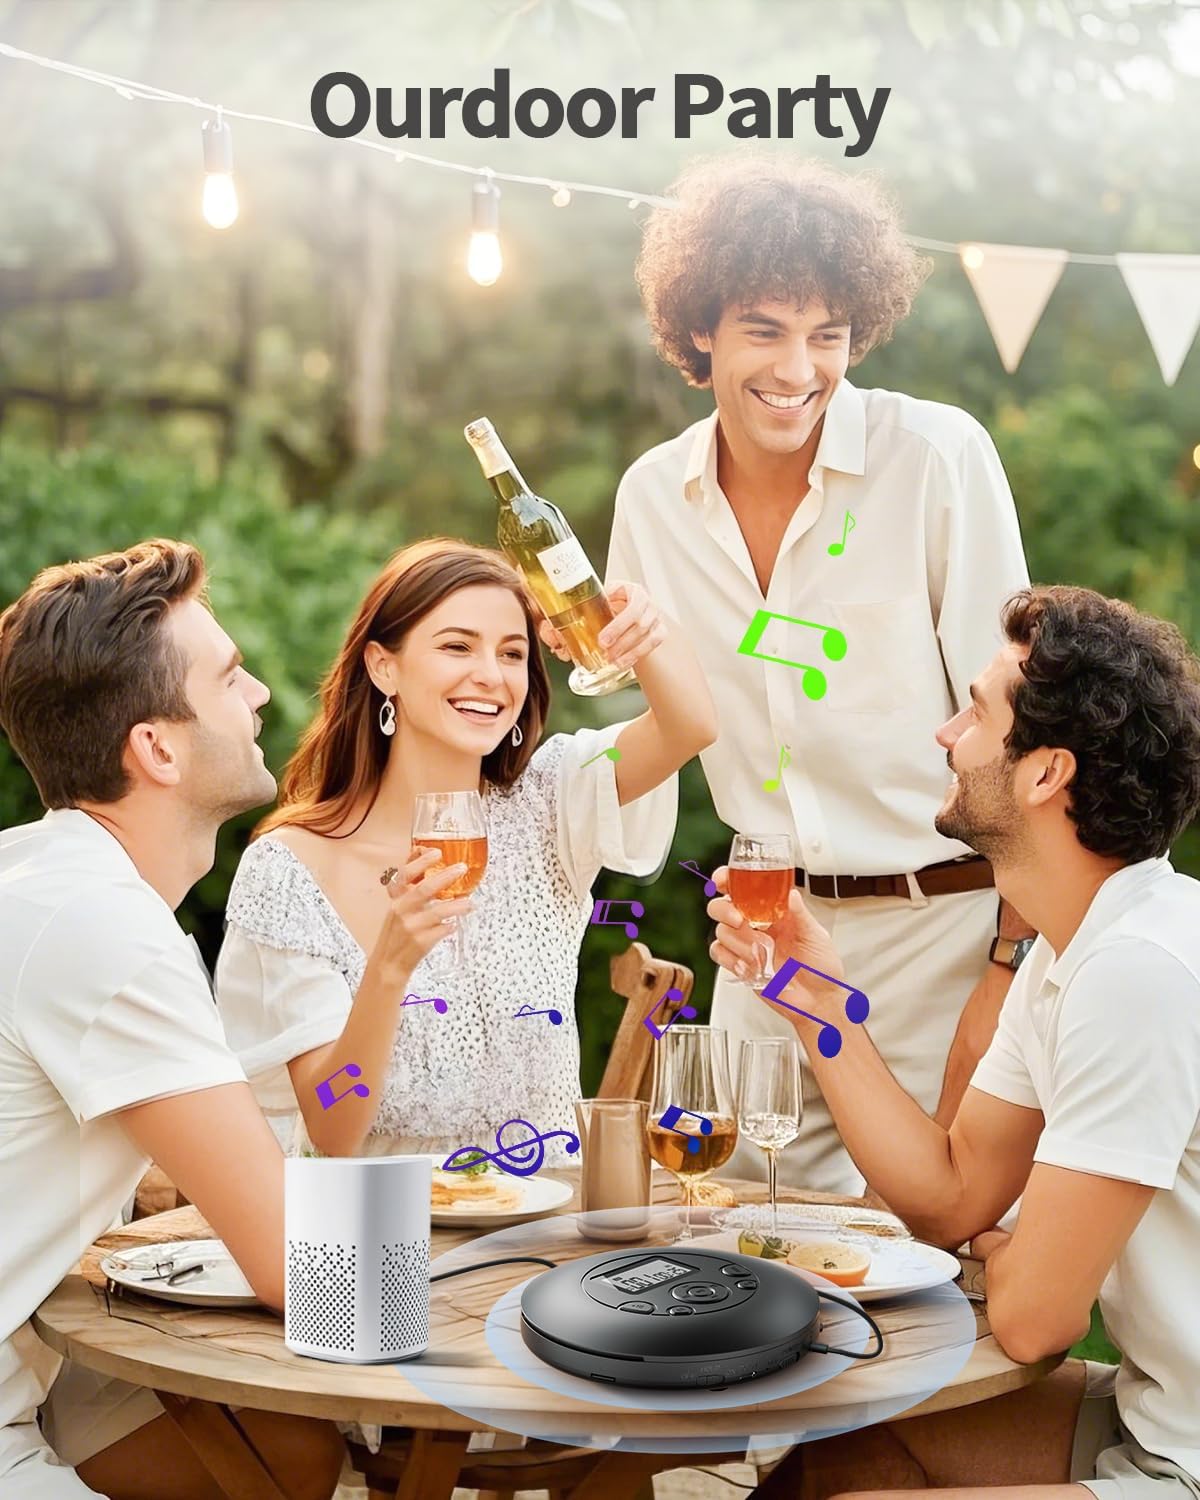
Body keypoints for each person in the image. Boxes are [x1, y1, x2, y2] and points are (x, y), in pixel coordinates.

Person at [599, 153, 1035, 1194]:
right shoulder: (653, 498)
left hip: (944, 937)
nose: (799, 368)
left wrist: (1008, 971)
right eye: (765, 329)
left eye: (827, 334)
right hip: (766, 943)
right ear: (699, 326)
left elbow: (1027, 728)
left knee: (937, 1268)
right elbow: (663, 734)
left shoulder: (936, 459)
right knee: (746, 1244)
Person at [708, 585, 1200, 1500]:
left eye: (975, 711)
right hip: (1155, 1414)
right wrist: (814, 1002)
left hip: (1190, 1459)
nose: (946, 733)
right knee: (832, 1451)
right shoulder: (1069, 952)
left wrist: (1016, 1261)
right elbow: (951, 1198)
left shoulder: (1140, 971)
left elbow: (1032, 1324)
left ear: (1045, 773)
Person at [0, 540, 345, 1499]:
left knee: (290, 1458)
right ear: (155, 747)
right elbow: (299, 1268)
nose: (264, 694)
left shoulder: (34, 871)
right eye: (231, 678)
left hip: (36, 1367)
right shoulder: (108, 928)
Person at [213, 538, 716, 1162]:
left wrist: (631, 629)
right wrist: (390, 969)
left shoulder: (552, 802)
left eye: (512, 654)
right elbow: (332, 1127)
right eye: (457, 646)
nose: (491, 675)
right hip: (393, 1236)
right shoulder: (291, 868)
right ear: (382, 666)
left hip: (549, 1229)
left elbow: (690, 724)